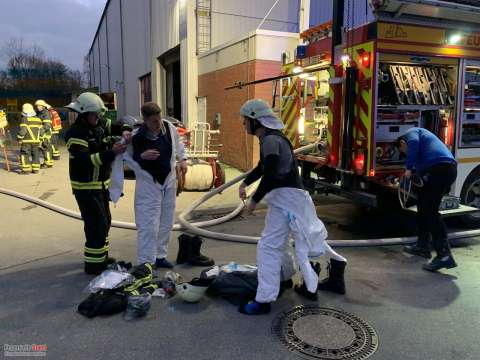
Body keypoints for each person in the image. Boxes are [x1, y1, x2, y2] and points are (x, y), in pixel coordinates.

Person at [237, 99, 347, 315]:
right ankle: (290, 278)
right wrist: (244, 182)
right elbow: (263, 167)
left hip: (287, 199)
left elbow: (270, 174)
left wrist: (253, 201)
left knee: (271, 246)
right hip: (290, 198)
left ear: (255, 119)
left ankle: (264, 300)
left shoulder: (269, 140)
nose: (243, 125)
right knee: (297, 240)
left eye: (244, 121)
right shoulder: (274, 138)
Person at [64, 92, 131, 275]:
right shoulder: (75, 134)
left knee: (105, 222)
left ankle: (100, 257)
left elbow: (116, 126)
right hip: (85, 188)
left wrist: (125, 129)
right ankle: (94, 265)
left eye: (99, 114)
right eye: (95, 115)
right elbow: (85, 160)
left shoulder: (99, 124)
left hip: (100, 186)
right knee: (96, 224)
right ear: (84, 114)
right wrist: (112, 152)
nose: (98, 118)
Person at [123, 102, 188, 268]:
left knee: (166, 221)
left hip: (169, 180)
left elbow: (179, 144)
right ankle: (146, 262)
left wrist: (183, 160)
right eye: (153, 121)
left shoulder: (169, 128)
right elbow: (126, 157)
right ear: (145, 120)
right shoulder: (137, 137)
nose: (158, 123)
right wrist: (141, 157)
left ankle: (160, 255)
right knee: (148, 225)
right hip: (149, 184)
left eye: (159, 118)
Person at [398, 127, 458, 271]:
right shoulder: (424, 152)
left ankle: (445, 256)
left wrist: (408, 167)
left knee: (430, 211)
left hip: (441, 169)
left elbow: (413, 143)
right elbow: (419, 174)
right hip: (443, 170)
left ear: (401, 142)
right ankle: (423, 245)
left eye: (403, 152)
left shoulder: (411, 133)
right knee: (423, 206)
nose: (406, 154)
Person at [17, 103, 43, 174]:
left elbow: (23, 131)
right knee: (35, 154)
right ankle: (36, 169)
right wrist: (41, 140)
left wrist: (19, 138)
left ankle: (26, 170)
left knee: (24, 154)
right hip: (36, 141)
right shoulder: (38, 119)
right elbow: (41, 132)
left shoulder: (24, 119)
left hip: (26, 141)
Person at [34, 100, 54, 168]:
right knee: (43, 149)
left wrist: (40, 132)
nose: (37, 107)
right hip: (41, 134)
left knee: (46, 149)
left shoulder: (46, 113)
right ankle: (47, 162)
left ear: (43, 106)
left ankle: (48, 163)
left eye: (39, 106)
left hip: (46, 134)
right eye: (37, 106)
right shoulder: (38, 113)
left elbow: (47, 125)